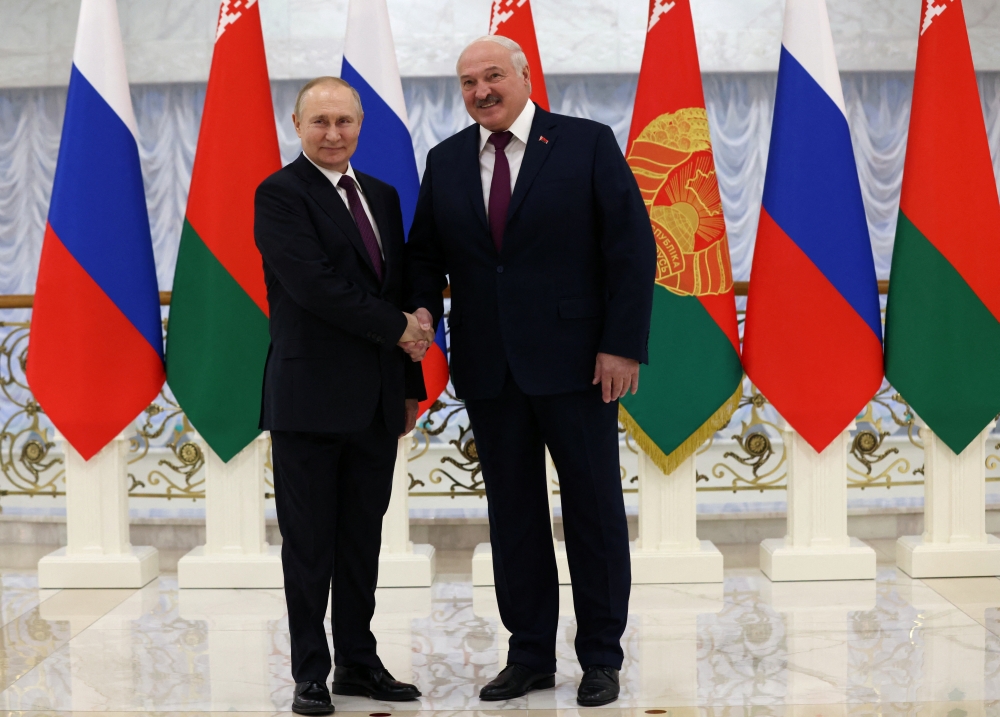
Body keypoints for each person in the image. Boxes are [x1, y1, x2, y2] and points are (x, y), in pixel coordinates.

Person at [403, 36, 655, 707]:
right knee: (513, 515)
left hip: (580, 365)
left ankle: (601, 655)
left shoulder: (585, 142)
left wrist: (622, 343)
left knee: (593, 511)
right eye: (467, 82)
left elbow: (631, 248)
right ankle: (530, 656)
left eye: (492, 76)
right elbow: (426, 254)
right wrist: (424, 309)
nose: (481, 90)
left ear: (523, 75)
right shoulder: (447, 159)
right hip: (490, 367)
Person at [254, 76, 433, 716]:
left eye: (345, 122)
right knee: (309, 544)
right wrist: (401, 330)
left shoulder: (380, 195)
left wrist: (410, 373)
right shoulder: (279, 194)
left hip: (377, 402)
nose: (333, 134)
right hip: (308, 399)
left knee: (362, 540)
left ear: (361, 126)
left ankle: (358, 662)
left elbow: (397, 283)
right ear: (296, 124)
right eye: (320, 122)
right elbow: (315, 285)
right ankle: (310, 672)